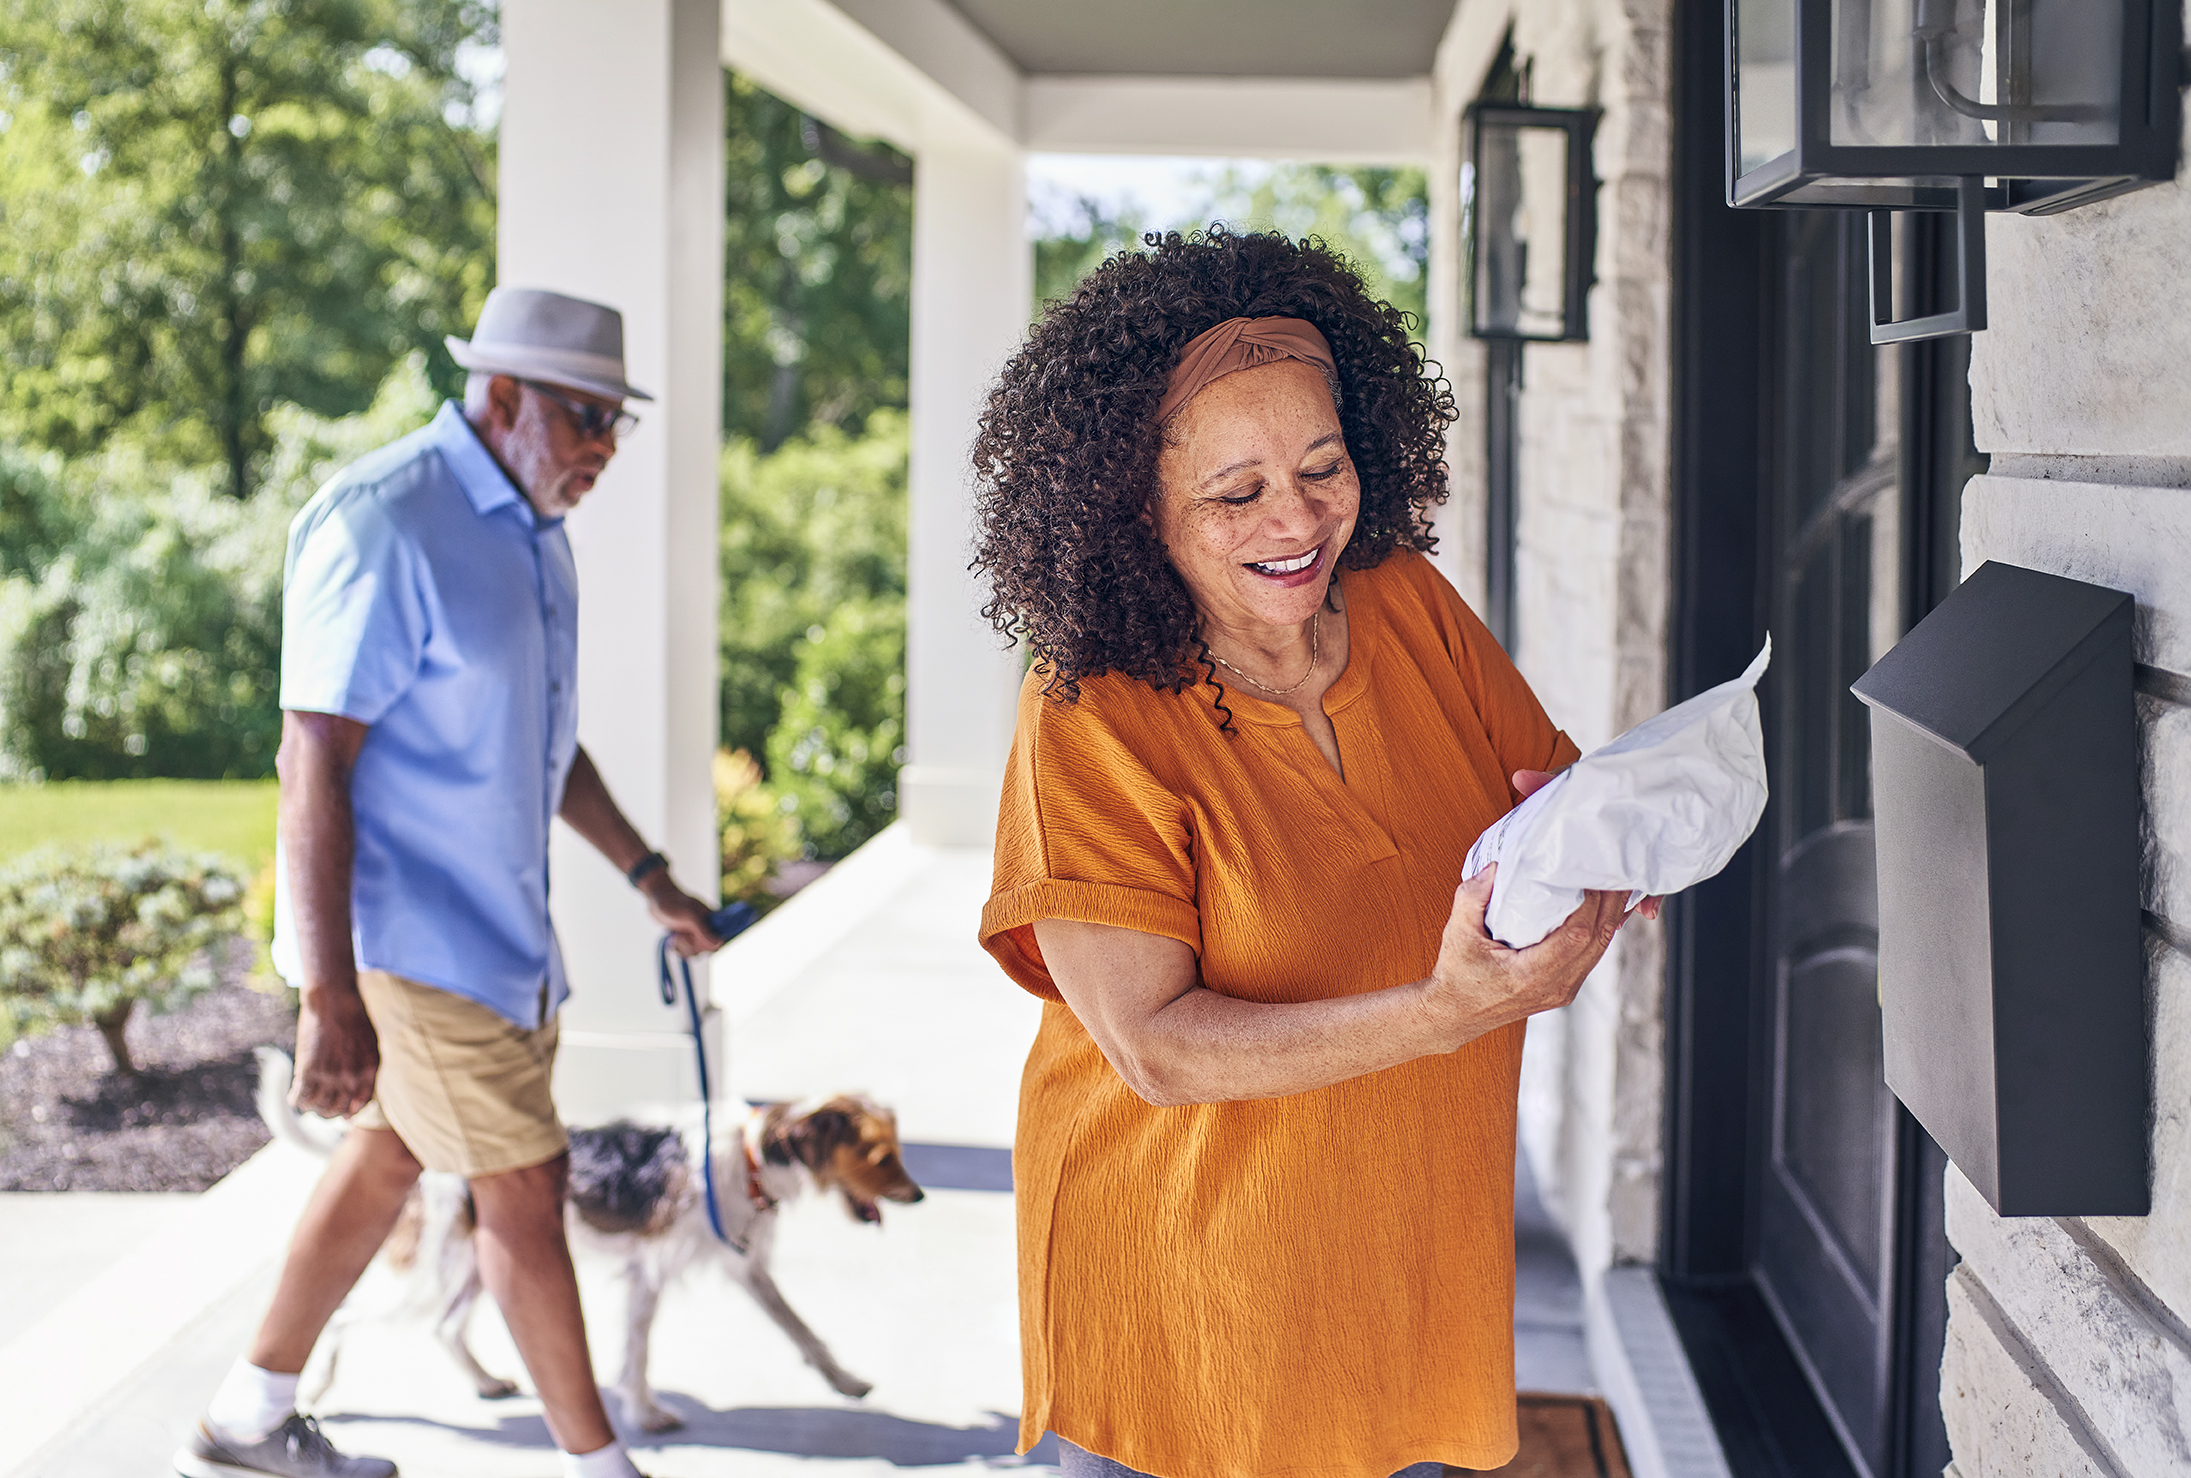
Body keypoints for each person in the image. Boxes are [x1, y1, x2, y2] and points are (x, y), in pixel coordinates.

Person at [972, 229, 1653, 1478]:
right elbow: (1158, 1049)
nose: (1296, 520)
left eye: (1323, 467)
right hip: (1185, 1311)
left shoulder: (1409, 603)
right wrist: (1448, 1009)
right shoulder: (1090, 710)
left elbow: (1543, 803)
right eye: (1234, 494)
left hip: (1399, 1281)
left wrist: (1621, 837)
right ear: (1136, 510)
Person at [175, 288, 722, 1478]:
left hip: (510, 943)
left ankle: (247, 1418)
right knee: (525, 1188)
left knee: (387, 1157)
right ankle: (598, 1465)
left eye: (617, 424)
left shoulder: (537, 537)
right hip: (406, 947)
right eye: (587, 418)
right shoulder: (387, 522)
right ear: (504, 396)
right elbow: (312, 753)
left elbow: (544, 741)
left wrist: (646, 871)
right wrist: (328, 991)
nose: (604, 450)